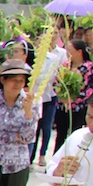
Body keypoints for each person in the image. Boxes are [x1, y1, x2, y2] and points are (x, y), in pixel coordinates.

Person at [32, 32, 69, 168]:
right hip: (35, 96)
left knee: (46, 127)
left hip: (49, 95)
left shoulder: (56, 56)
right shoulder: (35, 57)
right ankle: (31, 156)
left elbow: (59, 73)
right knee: (34, 127)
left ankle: (43, 154)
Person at [54, 39, 93, 152]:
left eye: (70, 50)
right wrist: (61, 96)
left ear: (79, 51)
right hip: (62, 107)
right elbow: (56, 83)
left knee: (75, 135)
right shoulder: (64, 66)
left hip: (78, 108)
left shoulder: (90, 67)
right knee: (60, 135)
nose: (67, 53)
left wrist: (74, 99)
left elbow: (91, 89)